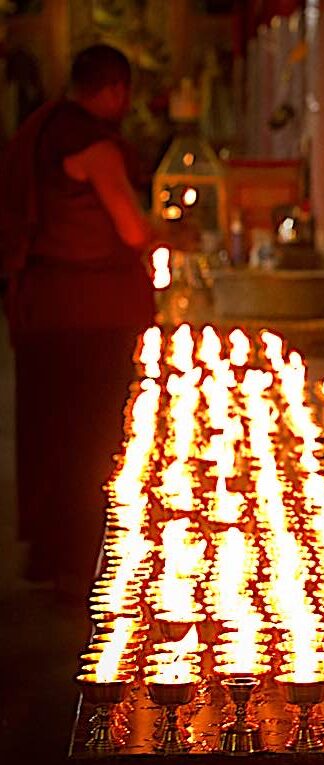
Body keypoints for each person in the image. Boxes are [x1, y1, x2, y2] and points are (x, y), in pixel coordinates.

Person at [0, 44, 155, 598]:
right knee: (90, 435)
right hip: (91, 312)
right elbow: (133, 231)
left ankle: (50, 552)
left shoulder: (39, 128)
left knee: (47, 431)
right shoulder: (91, 144)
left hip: (42, 308)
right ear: (115, 90)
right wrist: (169, 232)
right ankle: (79, 555)